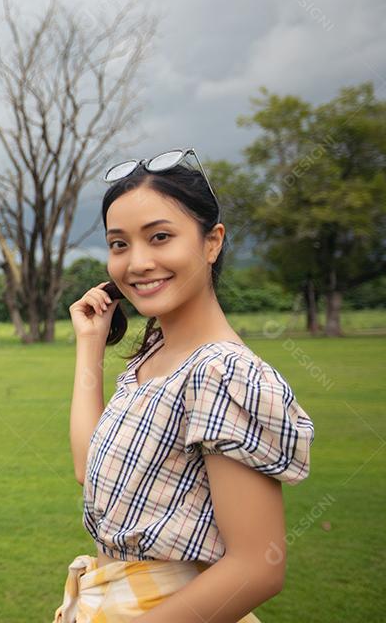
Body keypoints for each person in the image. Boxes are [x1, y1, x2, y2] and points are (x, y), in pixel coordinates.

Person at [56, 149, 315, 622]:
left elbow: (257, 567)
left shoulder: (221, 373)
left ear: (211, 242)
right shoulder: (153, 360)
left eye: (159, 237)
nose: (137, 263)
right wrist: (89, 344)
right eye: (119, 244)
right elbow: (86, 465)